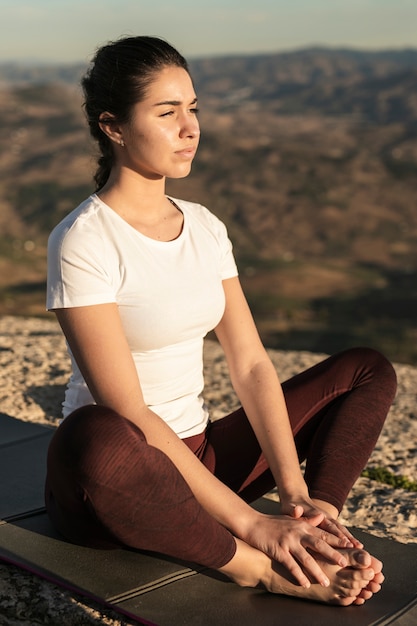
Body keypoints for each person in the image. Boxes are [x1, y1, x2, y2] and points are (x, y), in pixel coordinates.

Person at [45, 35, 397, 606]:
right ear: (113, 127)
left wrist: (293, 493)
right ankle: (257, 569)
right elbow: (130, 411)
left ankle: (316, 531)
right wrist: (253, 526)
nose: (190, 128)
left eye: (194, 109)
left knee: (366, 369)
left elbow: (252, 362)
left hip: (201, 459)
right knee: (97, 437)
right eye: (167, 112)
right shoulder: (83, 240)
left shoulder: (204, 226)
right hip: (122, 473)